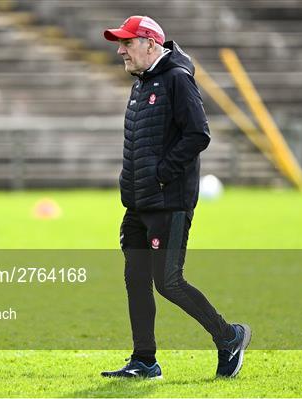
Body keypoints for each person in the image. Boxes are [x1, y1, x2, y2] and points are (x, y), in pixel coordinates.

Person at [100, 16, 251, 380]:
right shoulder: (141, 84)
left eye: (127, 42)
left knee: (168, 282)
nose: (120, 50)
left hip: (169, 202)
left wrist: (161, 174)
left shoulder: (177, 79)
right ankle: (144, 361)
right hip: (138, 203)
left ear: (151, 44)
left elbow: (198, 134)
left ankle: (229, 337)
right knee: (135, 280)